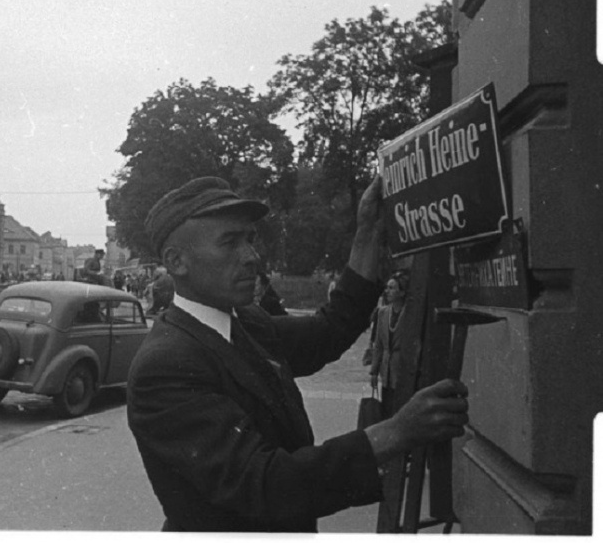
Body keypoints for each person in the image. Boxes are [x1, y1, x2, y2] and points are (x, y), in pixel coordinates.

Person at [126, 176, 469, 532]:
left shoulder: (245, 322)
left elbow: (330, 330)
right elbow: (264, 484)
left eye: (249, 239)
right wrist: (396, 432)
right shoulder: (165, 365)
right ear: (177, 261)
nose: (252, 257)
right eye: (229, 242)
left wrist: (367, 232)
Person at [370, 271, 410, 419]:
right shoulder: (382, 313)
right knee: (386, 409)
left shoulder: (410, 314)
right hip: (385, 370)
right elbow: (379, 345)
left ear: (402, 292)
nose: (387, 291)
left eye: (392, 288)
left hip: (401, 368)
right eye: (387, 288)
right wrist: (374, 371)